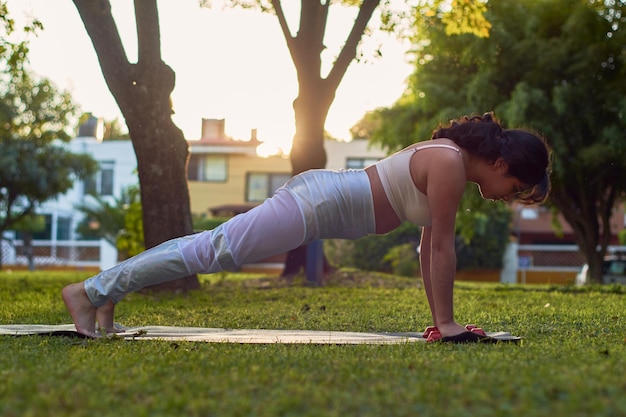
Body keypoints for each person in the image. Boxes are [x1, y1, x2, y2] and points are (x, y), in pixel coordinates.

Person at [62, 112, 551, 342]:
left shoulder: (451, 167)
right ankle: (91, 291)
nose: (511, 199)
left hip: (316, 205)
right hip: (314, 204)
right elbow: (442, 246)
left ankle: (104, 295)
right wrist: (446, 325)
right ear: (504, 164)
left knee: (213, 250)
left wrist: (443, 323)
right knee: (215, 251)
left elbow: (428, 249)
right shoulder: (447, 162)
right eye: (518, 189)